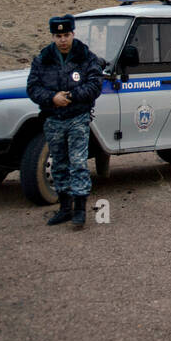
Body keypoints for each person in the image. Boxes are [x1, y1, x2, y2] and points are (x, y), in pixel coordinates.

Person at [26, 15, 103, 228]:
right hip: (53, 119)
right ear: (53, 36)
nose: (62, 40)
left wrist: (70, 96)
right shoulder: (43, 59)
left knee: (78, 162)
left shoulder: (86, 57)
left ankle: (80, 209)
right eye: (58, 36)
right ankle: (64, 208)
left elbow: (95, 85)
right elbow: (32, 88)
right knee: (59, 164)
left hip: (77, 117)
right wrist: (52, 98)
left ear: (73, 34)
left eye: (66, 35)